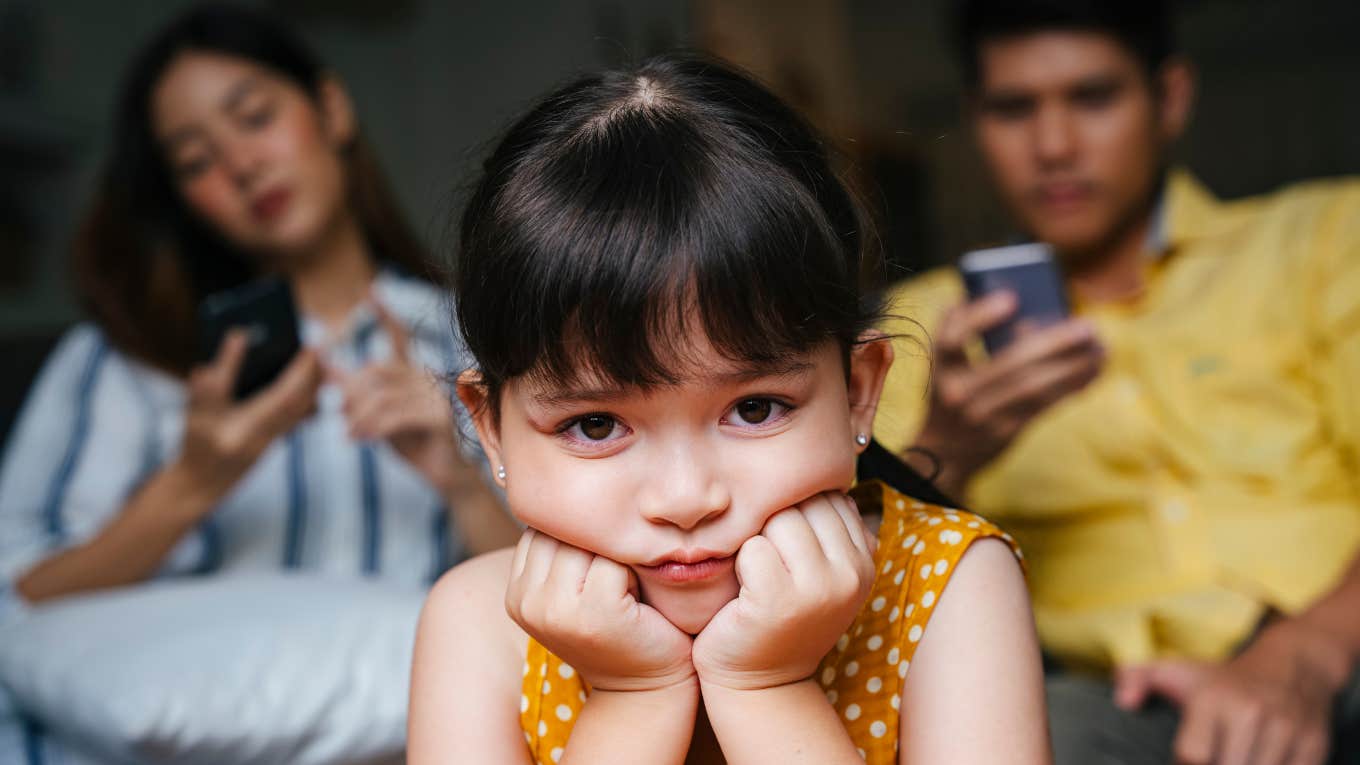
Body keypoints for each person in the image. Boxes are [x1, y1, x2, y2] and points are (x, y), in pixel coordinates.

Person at [407, 53, 1049, 764]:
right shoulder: (477, 623)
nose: (685, 499)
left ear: (859, 391)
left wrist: (767, 686)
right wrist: (632, 699)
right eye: (594, 424)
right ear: (489, 427)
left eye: (755, 409)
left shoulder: (947, 586)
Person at [874, 1, 1360, 763]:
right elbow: (858, 600)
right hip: (1107, 697)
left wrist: (1304, 653)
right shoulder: (919, 327)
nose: (1055, 146)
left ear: (1169, 99)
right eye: (1013, 109)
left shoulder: (1325, 238)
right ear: (975, 122)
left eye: (1093, 98)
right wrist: (944, 451)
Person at [0, 3, 519, 617]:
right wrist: (193, 482)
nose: (242, 166)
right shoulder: (122, 356)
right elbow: (20, 595)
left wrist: (457, 478)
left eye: (255, 117)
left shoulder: (476, 337)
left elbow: (566, 600)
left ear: (332, 109)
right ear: (181, 200)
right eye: (196, 161)